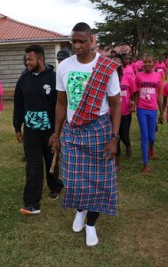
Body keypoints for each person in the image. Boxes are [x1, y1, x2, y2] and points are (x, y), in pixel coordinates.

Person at [50, 22, 121, 247]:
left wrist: (114, 138)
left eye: (82, 41)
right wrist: (57, 133)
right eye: (74, 41)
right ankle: (80, 210)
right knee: (73, 179)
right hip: (72, 130)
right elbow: (61, 103)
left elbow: (116, 106)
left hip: (99, 130)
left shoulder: (106, 67)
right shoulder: (64, 67)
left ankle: (91, 224)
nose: (77, 45)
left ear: (92, 40)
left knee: (98, 181)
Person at [13, 44, 64, 215]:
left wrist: (57, 132)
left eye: (30, 59)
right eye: (26, 59)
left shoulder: (54, 78)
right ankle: (32, 203)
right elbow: (18, 104)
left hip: (50, 131)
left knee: (51, 160)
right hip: (31, 131)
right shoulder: (23, 79)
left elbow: (60, 105)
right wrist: (17, 127)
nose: (27, 62)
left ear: (40, 59)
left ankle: (55, 185)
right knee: (33, 166)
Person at [134, 54, 163, 174]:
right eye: (145, 62)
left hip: (153, 110)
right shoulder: (138, 76)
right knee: (144, 137)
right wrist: (135, 106)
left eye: (149, 62)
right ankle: (145, 164)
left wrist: (161, 113)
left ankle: (151, 149)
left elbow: (159, 96)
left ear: (153, 63)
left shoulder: (158, 76)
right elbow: (135, 93)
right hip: (141, 109)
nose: (147, 64)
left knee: (152, 137)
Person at [112, 54, 136, 171]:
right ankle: (117, 162)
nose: (116, 68)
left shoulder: (128, 78)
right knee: (115, 137)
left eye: (118, 65)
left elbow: (134, 92)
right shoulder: (108, 80)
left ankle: (128, 145)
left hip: (126, 113)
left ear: (121, 66)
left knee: (124, 136)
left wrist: (133, 102)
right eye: (113, 65)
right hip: (111, 114)